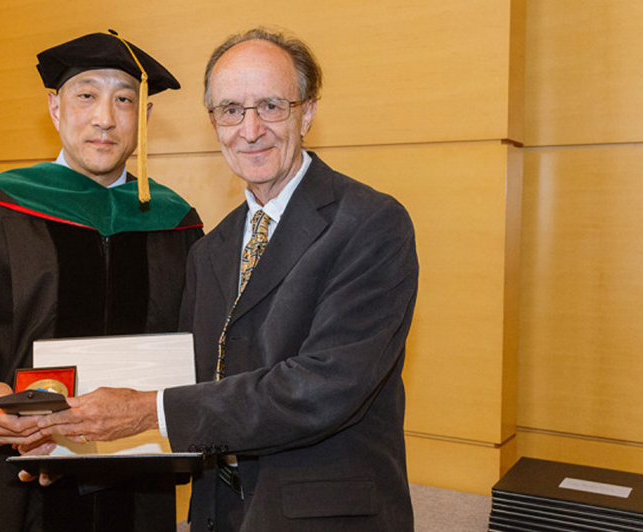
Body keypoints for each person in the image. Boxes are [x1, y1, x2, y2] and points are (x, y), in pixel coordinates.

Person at [35, 27, 419, 531]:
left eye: (271, 106)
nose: (250, 129)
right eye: (231, 110)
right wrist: (72, 436)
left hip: (324, 517)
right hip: (221, 515)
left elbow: (322, 388)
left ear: (307, 112)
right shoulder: (210, 248)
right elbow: (191, 385)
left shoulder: (369, 223)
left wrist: (145, 410)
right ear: (214, 122)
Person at [0, 31, 204, 532]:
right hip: (14, 490)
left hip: (136, 490)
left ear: (145, 117)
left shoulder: (175, 224)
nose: (105, 117)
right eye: (86, 95)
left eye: (124, 99)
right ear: (55, 108)